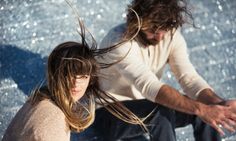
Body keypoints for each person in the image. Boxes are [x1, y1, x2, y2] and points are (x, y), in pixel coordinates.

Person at [93, 0, 236, 140]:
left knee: (207, 107)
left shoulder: (170, 36)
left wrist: (220, 104)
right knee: (161, 111)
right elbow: (149, 86)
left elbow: (189, 79)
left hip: (145, 108)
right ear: (137, 21)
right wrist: (201, 109)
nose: (159, 37)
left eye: (164, 31)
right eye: (153, 30)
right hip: (108, 114)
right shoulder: (118, 42)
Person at [2, 19, 146, 141]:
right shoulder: (52, 123)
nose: (76, 83)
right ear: (55, 74)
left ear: (90, 79)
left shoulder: (41, 99)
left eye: (83, 76)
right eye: (70, 74)